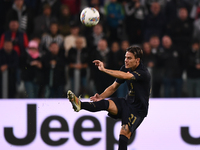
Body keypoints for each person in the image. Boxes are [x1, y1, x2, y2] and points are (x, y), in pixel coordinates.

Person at [67, 46, 151, 150]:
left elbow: (126, 76)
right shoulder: (126, 68)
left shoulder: (144, 73)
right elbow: (113, 87)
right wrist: (101, 96)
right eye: (125, 57)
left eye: (129, 58)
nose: (126, 60)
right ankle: (80, 105)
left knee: (124, 133)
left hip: (138, 110)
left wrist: (104, 69)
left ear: (137, 60)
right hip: (126, 102)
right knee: (106, 104)